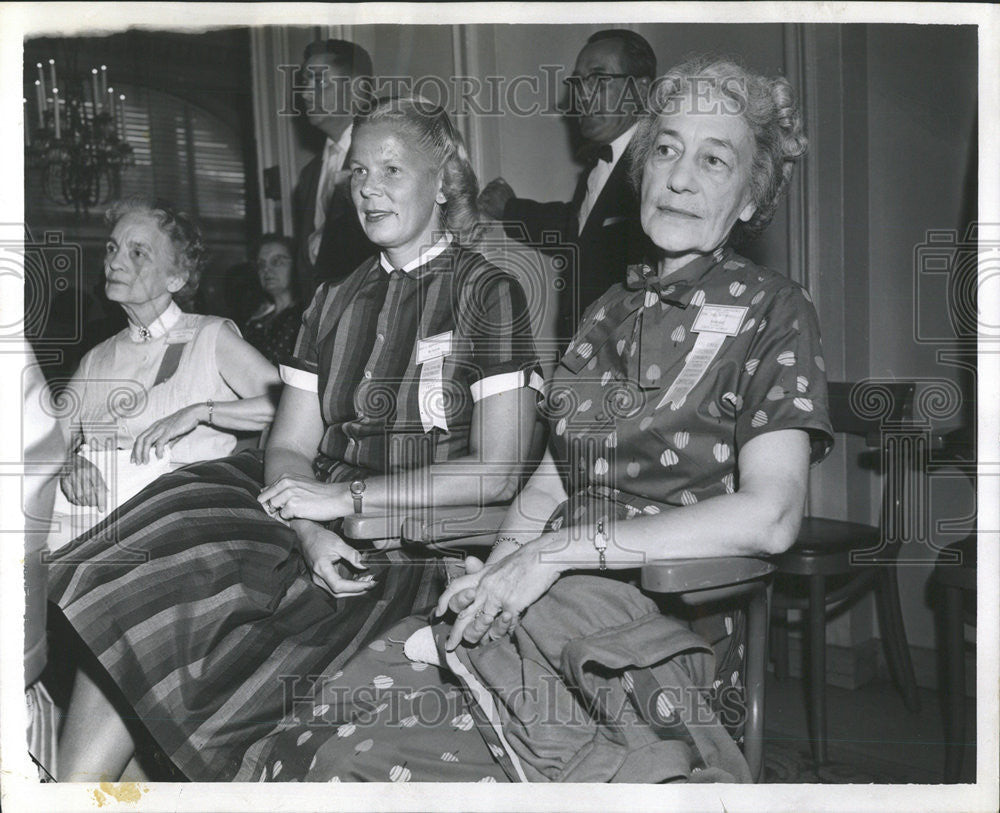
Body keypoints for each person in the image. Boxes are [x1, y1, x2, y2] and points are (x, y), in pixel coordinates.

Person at [244, 56, 835, 783]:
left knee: (380, 768)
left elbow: (771, 517)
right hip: (543, 593)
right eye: (667, 150)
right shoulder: (607, 312)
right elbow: (550, 486)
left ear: (750, 198)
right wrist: (492, 574)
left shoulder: (776, 310)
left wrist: (555, 555)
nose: (680, 176)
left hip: (657, 628)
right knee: (317, 730)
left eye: (715, 160)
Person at [46, 97, 542, 782]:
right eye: (360, 172)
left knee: (219, 632)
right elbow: (288, 444)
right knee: (145, 552)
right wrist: (309, 523)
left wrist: (339, 500)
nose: (368, 187)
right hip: (303, 511)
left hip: (412, 537)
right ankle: (79, 793)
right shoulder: (334, 298)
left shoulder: (489, 293)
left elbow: (497, 471)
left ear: (445, 179)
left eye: (392, 170)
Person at [51, 199, 281, 549]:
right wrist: (68, 466)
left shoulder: (209, 336)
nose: (114, 262)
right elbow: (45, 444)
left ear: (176, 277)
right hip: (90, 514)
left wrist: (199, 412)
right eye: (112, 248)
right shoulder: (95, 359)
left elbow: (290, 406)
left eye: (138, 253)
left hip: (181, 519)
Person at [478, 29, 656, 343]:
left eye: (600, 80)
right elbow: (576, 231)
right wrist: (510, 209)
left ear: (640, 91)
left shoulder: (655, 166)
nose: (583, 95)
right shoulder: (599, 163)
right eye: (578, 82)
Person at [291, 38, 376, 300]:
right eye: (305, 83)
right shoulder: (308, 176)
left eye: (318, 81)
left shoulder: (380, 160)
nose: (305, 93)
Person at [241, 234, 303, 366]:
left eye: (277, 261)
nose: (266, 270)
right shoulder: (256, 320)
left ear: (297, 265)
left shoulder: (303, 317)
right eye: (261, 264)